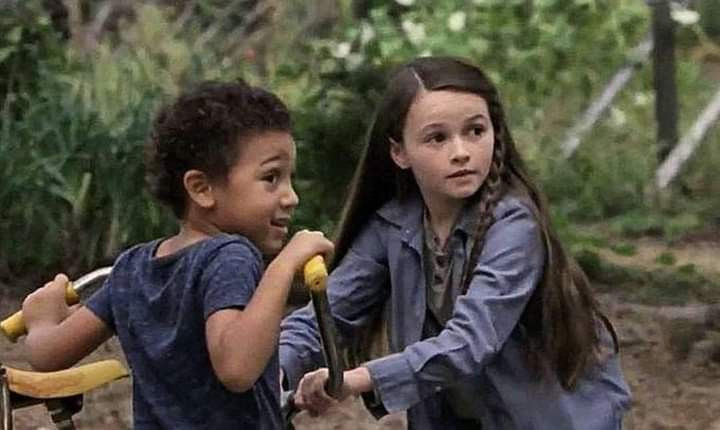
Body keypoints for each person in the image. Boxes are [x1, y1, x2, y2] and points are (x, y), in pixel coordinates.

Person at [279, 57, 632, 429]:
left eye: (475, 131)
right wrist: (275, 372)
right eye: (437, 138)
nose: (461, 151)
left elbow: (470, 341)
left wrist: (357, 378)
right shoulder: (392, 226)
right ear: (399, 152)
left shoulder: (514, 224)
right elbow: (326, 317)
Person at [21, 80, 334, 429]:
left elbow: (48, 355)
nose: (291, 197)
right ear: (201, 189)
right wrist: (285, 265)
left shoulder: (132, 268)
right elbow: (237, 368)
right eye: (272, 178)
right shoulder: (229, 256)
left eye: (290, 178)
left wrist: (41, 320)